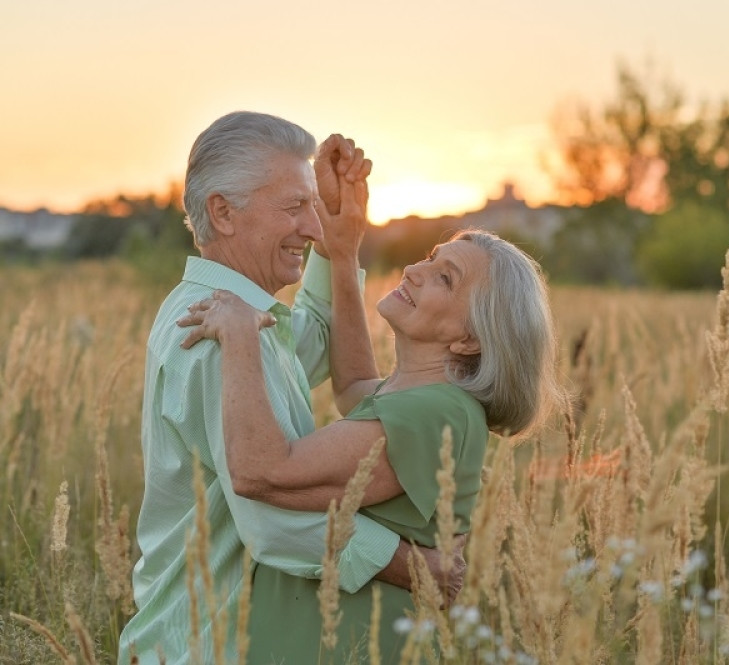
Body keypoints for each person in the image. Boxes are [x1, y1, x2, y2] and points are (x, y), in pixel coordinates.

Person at [178, 143, 565, 662]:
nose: (413, 271)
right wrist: (342, 249)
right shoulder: (424, 401)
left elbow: (258, 472)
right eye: (431, 259)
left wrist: (242, 335)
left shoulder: (436, 414)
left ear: (470, 339)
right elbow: (356, 382)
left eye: (444, 279)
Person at [118, 111, 461, 664]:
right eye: (294, 207)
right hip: (206, 645)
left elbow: (319, 337)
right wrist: (415, 567)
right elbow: (272, 522)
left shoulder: (239, 319)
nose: (313, 226)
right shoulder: (210, 335)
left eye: (313, 208)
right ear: (223, 213)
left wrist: (340, 241)